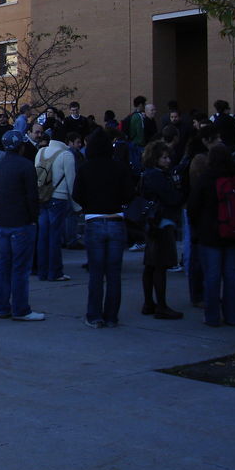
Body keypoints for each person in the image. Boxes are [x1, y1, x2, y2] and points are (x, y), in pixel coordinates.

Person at [72, 129, 135, 328]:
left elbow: (76, 194)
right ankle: (111, 315)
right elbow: (129, 194)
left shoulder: (85, 168)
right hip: (116, 219)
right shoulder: (119, 167)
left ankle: (94, 315)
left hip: (94, 220)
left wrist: (89, 205)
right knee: (114, 273)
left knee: (96, 272)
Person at [186, 144, 235, 327]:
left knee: (212, 276)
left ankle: (212, 316)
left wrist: (196, 228)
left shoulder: (205, 179)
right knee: (231, 275)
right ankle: (233, 315)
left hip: (209, 235)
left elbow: (193, 208)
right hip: (232, 234)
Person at [0, 130, 44, 321]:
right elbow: (32, 196)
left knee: (4, 266)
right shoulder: (25, 166)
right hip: (21, 222)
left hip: (3, 222)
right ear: (21, 146)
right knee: (20, 268)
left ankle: (3, 306)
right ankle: (21, 308)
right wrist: (33, 218)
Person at [139, 141, 184, 319]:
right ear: (155, 159)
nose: (168, 161)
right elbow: (172, 198)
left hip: (153, 222)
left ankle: (149, 303)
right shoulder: (157, 176)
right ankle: (161, 305)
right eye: (164, 158)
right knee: (159, 265)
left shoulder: (151, 175)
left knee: (151, 265)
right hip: (161, 222)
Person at [34, 130, 79, 282]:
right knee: (55, 237)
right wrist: (76, 205)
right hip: (58, 198)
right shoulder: (66, 155)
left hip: (42, 198)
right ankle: (55, 272)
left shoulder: (40, 152)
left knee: (43, 236)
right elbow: (71, 183)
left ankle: (42, 271)